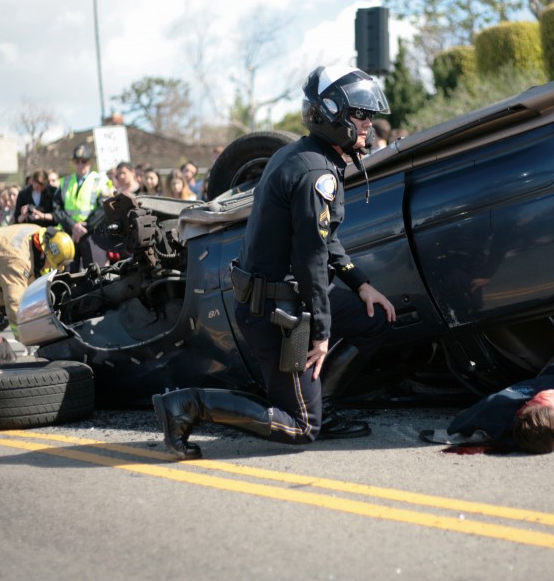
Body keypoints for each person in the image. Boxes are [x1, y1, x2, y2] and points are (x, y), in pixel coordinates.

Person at [152, 65, 396, 460]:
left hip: (284, 299)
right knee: (301, 428)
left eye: (370, 116)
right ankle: (188, 405)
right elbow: (312, 260)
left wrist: (361, 284)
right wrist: (321, 331)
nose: (369, 125)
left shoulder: (306, 154)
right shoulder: (317, 172)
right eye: (361, 115)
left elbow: (324, 239)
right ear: (333, 115)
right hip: (279, 313)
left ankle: (316, 400)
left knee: (375, 318)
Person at [0, 224, 75, 340]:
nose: (53, 268)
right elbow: (14, 303)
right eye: (52, 263)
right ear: (44, 253)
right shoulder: (18, 261)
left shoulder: (41, 235)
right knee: (0, 313)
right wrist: (28, 338)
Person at [53, 144, 113, 271]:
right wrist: (73, 226)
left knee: (96, 275)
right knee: (68, 276)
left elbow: (103, 208)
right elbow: (57, 208)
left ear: (90, 162)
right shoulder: (65, 181)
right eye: (77, 161)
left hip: (92, 234)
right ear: (73, 162)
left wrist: (84, 227)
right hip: (70, 234)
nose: (80, 165)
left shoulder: (100, 180)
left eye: (84, 161)